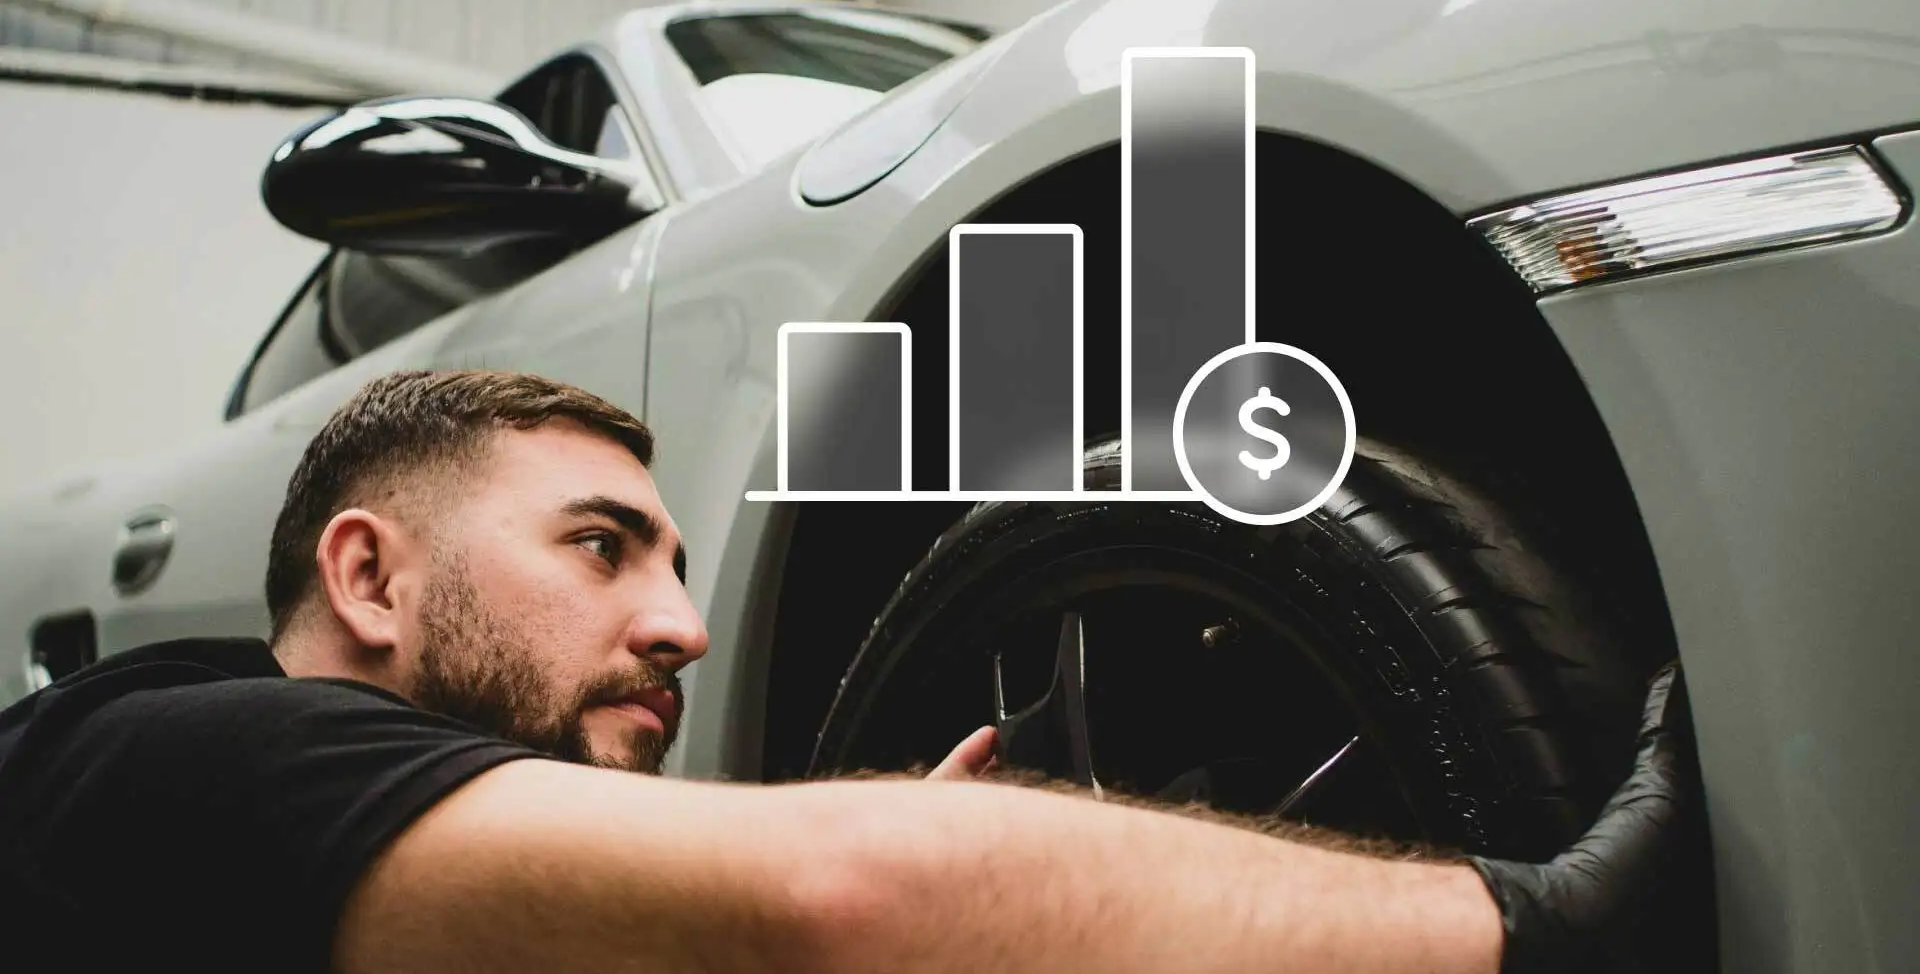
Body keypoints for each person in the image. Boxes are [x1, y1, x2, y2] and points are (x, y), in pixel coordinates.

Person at [0, 369, 1693, 974]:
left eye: (680, 564)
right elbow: (836, 899)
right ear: (369, 577)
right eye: (602, 548)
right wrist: (1545, 924)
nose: (685, 625)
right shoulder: (165, 754)